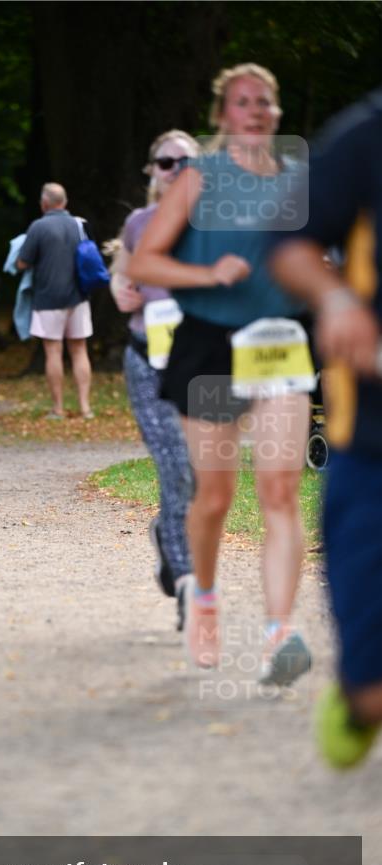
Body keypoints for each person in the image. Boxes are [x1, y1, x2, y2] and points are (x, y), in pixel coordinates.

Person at [129, 64, 314, 683]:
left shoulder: (300, 182)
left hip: (281, 342)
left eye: (265, 101)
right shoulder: (198, 178)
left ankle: (278, 634)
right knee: (215, 496)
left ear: (278, 114)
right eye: (242, 102)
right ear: (222, 116)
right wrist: (209, 274)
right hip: (208, 345)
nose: (256, 110)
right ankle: (203, 596)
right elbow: (146, 259)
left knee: (281, 491)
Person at [269, 89, 382, 766]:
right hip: (371, 439)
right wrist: (336, 298)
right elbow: (288, 241)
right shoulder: (368, 135)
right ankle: (361, 692)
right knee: (370, 694)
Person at [110, 130, 199, 630]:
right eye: (167, 162)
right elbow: (122, 278)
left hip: (203, 362)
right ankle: (188, 583)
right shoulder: (139, 223)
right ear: (153, 171)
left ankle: (169, 537)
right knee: (173, 467)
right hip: (149, 358)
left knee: (203, 477)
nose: (177, 171)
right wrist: (123, 290)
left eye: (187, 163)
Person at [17, 183, 94, 419]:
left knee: (53, 352)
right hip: (78, 297)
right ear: (65, 202)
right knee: (80, 350)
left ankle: (58, 408)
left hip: (48, 297)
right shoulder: (79, 224)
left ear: (44, 203)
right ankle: (85, 408)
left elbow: (22, 263)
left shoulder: (39, 227)